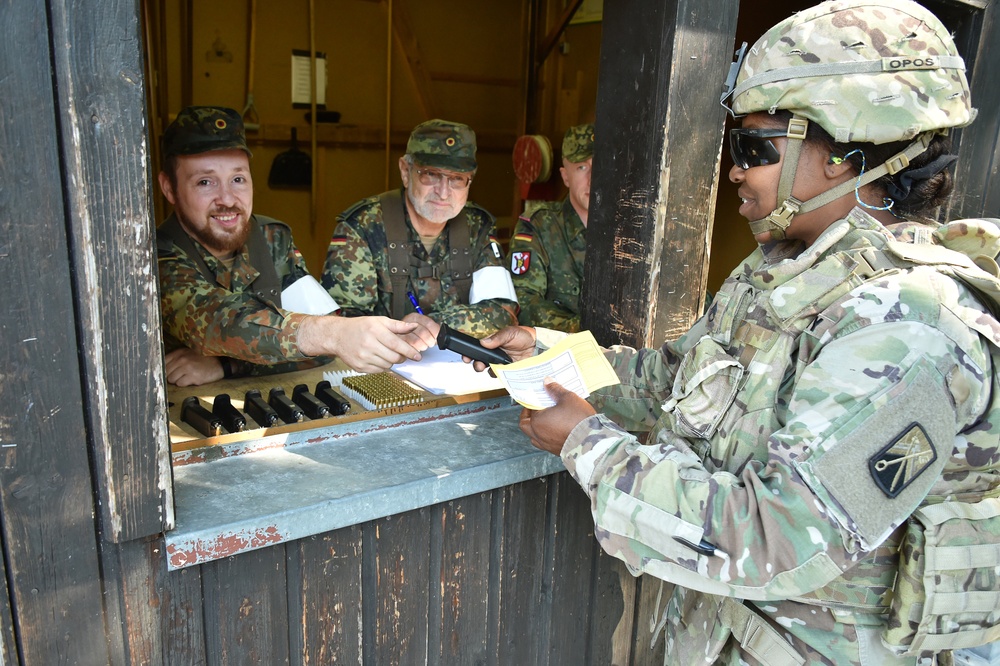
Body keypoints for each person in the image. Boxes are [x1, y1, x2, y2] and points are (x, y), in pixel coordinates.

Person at [476, 1, 1000, 663]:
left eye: (754, 148)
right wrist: (556, 360)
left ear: (842, 153)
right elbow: (672, 378)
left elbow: (781, 540)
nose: (734, 171)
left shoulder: (911, 324)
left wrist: (587, 444)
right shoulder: (784, 271)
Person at [157, 106, 435, 387]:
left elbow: (323, 349)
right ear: (169, 188)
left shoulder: (271, 239)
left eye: (238, 179)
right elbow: (214, 321)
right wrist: (333, 335)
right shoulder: (156, 257)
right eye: (205, 182)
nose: (227, 199)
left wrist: (227, 365)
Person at [321, 119, 518, 337]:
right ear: (406, 171)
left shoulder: (478, 228)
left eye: (457, 179)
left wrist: (432, 326)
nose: (443, 192)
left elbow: (503, 312)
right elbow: (339, 326)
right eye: (430, 174)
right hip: (381, 366)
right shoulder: (363, 228)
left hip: (457, 366)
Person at [509, 123, 593, 332]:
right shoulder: (540, 226)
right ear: (565, 176)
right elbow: (524, 304)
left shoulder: (630, 231)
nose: (593, 179)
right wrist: (588, 330)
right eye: (582, 167)